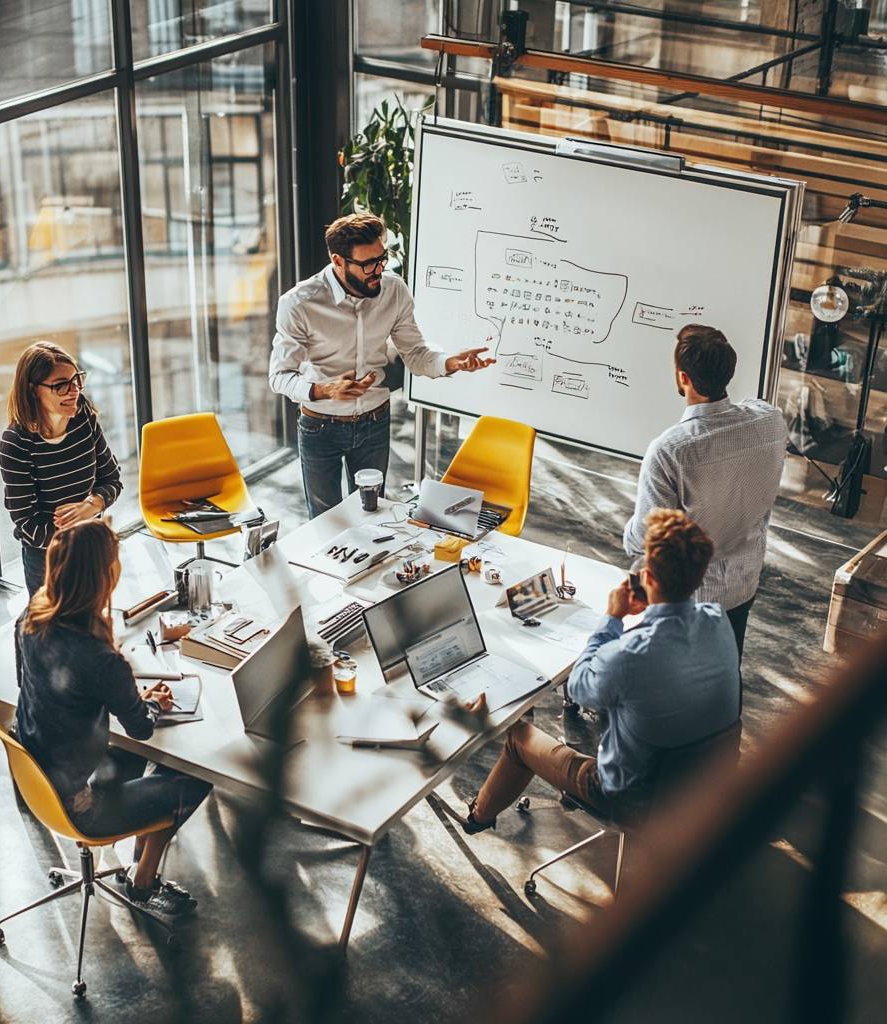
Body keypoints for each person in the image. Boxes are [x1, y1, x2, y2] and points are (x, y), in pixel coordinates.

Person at [464, 509, 740, 832]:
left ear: (647, 579)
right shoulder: (718, 620)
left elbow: (578, 687)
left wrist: (613, 617)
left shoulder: (631, 656)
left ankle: (477, 817)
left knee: (519, 736)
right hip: (707, 786)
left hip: (632, 800)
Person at [14, 520, 211, 918]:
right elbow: (140, 727)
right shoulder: (102, 659)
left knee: (148, 763)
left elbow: (29, 683)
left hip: (38, 781)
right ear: (103, 576)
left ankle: (141, 852)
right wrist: (151, 701)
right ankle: (143, 880)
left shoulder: (30, 620)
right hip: (81, 806)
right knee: (199, 774)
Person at [269, 212, 495, 519]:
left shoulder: (393, 290)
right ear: (338, 261)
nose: (378, 270)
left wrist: (451, 362)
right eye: (367, 264)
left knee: (372, 515)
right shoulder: (300, 303)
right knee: (325, 521)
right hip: (320, 426)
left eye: (381, 258)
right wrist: (325, 390)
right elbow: (280, 376)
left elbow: (415, 353)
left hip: (374, 422)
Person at [623, 324, 787, 661]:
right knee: (727, 672)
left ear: (683, 378)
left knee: (684, 687)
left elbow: (645, 538)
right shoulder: (771, 420)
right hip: (745, 581)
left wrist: (628, 535)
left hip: (693, 597)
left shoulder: (671, 449)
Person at [0, 342, 123, 595]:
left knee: (94, 623)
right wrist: (74, 532)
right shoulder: (16, 443)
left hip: (91, 544)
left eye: (76, 380)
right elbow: (27, 523)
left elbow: (112, 478)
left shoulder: (83, 418)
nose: (74, 391)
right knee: (51, 630)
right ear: (33, 390)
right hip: (47, 559)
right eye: (61, 385)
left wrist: (91, 506)